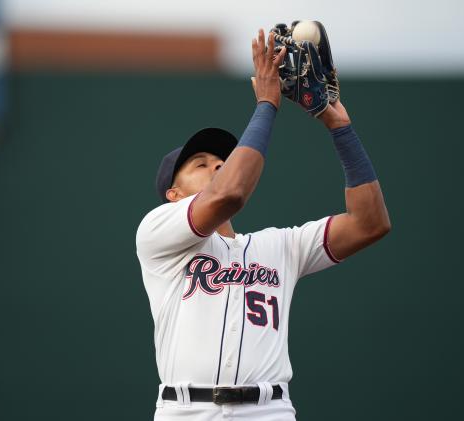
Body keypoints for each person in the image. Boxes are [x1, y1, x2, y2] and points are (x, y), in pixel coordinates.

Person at [135, 28, 391, 421]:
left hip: (268, 410)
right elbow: (230, 193)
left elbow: (369, 223)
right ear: (172, 194)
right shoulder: (157, 233)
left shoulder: (279, 247)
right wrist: (267, 104)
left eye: (222, 161)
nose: (217, 167)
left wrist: (340, 128)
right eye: (200, 164)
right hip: (185, 411)